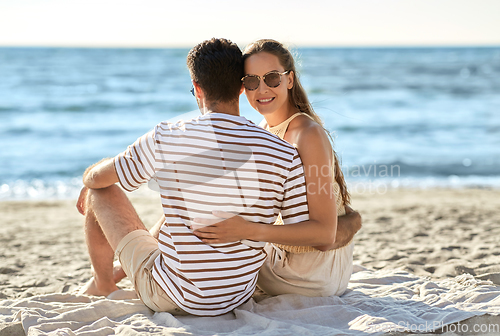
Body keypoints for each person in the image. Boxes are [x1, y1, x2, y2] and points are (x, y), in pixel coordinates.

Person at [75, 37, 333, 316]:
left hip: (173, 296)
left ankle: (102, 284)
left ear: (197, 88)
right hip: (236, 296)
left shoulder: (168, 135)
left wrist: (91, 179)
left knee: (100, 192)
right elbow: (305, 231)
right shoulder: (283, 151)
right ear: (240, 86)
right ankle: (117, 275)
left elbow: (98, 179)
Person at [193, 39, 360, 297]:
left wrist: (246, 230)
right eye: (251, 81)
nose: (261, 89)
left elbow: (325, 234)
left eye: (272, 78)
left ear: (289, 80)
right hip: (293, 260)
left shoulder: (307, 134)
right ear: (241, 88)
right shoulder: (262, 132)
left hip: (310, 275)